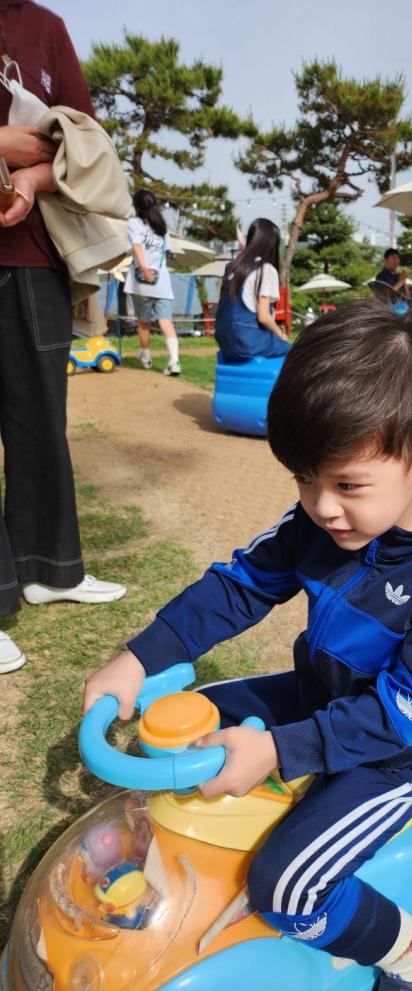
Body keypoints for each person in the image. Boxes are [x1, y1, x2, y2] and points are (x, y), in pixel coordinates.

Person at [83, 299, 412, 991]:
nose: (321, 505)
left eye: (346, 484)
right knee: (182, 726)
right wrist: (140, 656)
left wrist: (279, 748)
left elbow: (409, 713)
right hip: (317, 694)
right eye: (304, 480)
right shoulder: (319, 521)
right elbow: (240, 586)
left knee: (289, 886)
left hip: (398, 753)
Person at [0, 0, 126, 675]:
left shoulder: (45, 26)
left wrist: (34, 174)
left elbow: (88, 141)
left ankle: (51, 568)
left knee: (42, 421)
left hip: (36, 255)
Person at [215, 217, 290, 363]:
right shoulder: (265, 269)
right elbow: (264, 317)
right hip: (249, 341)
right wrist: (281, 335)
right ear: (272, 244)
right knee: (295, 353)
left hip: (225, 342)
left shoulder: (232, 267)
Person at [124, 190, 180, 376]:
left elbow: (137, 244)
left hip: (141, 283)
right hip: (162, 283)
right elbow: (169, 253)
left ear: (137, 206)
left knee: (144, 323)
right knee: (166, 323)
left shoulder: (134, 223)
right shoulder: (161, 225)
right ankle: (174, 361)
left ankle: (146, 358)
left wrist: (143, 266)